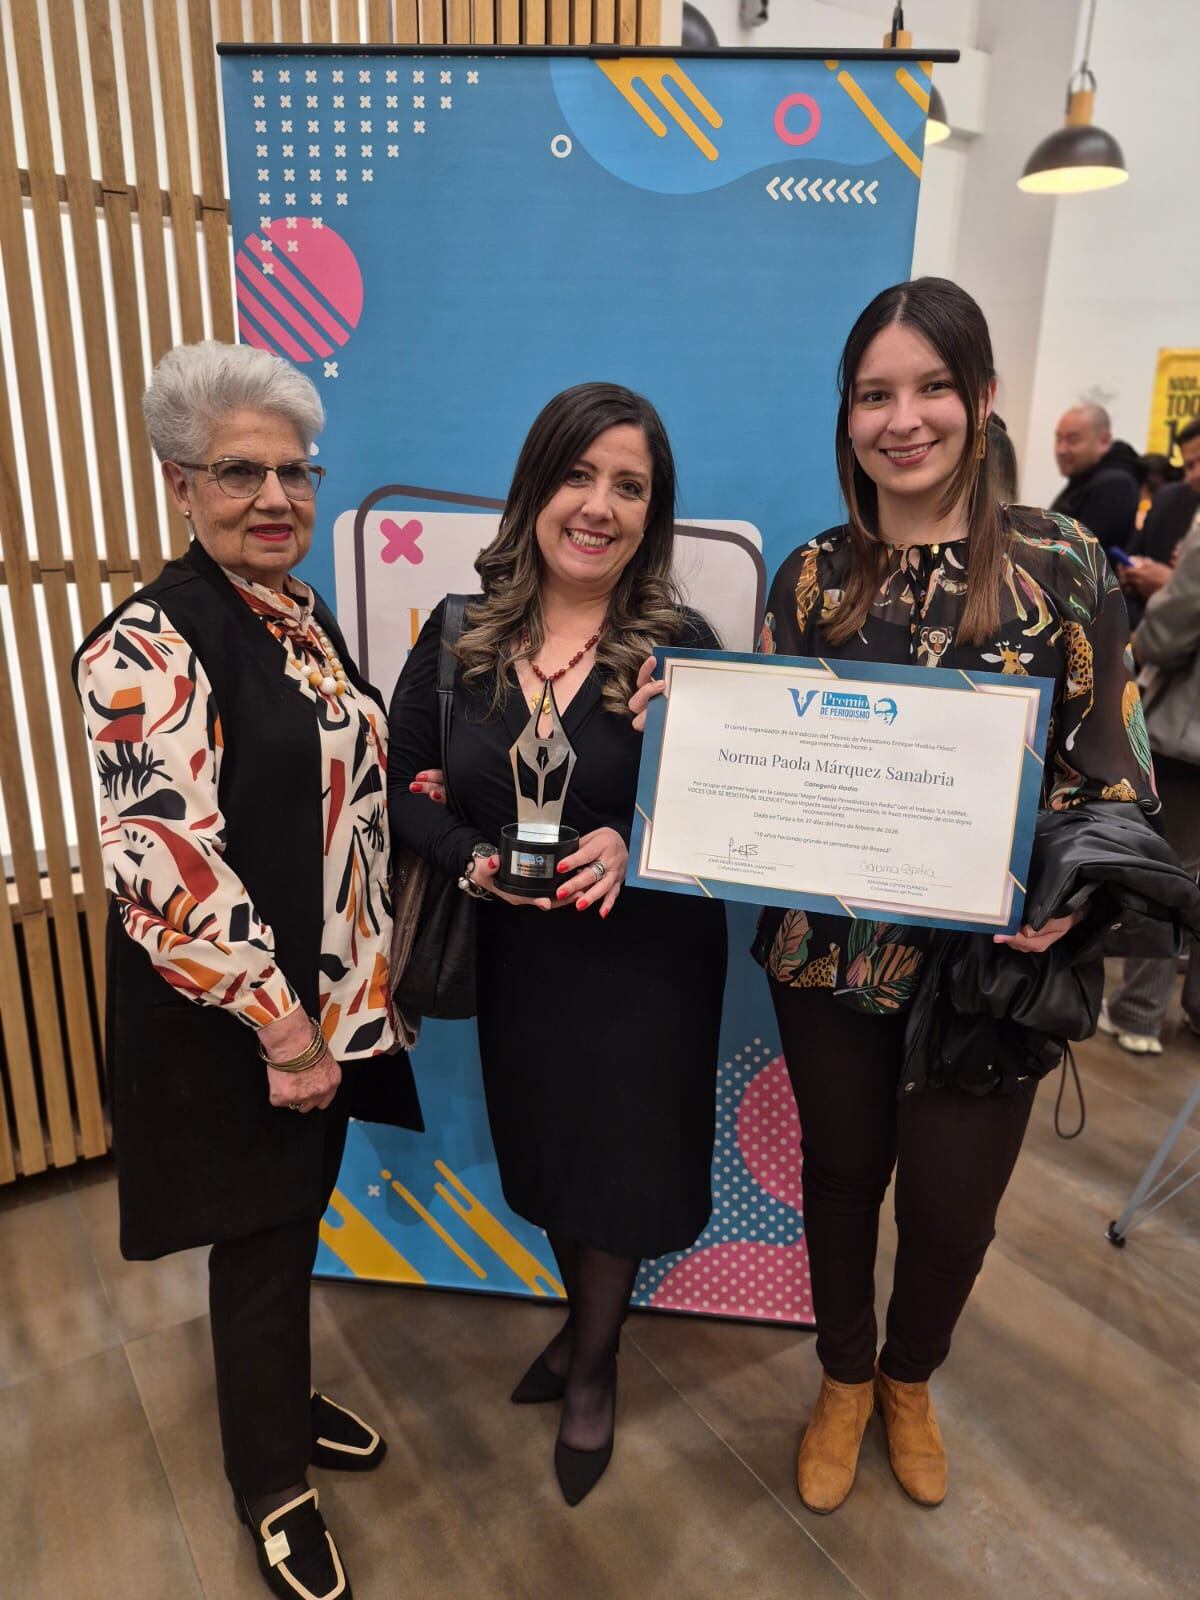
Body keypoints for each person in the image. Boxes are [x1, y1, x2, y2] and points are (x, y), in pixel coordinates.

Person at [640, 278, 1154, 1517]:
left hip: (994, 965)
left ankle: (909, 1378)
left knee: (951, 1209)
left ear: (983, 397)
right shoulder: (812, 576)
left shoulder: (1062, 562)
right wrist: (692, 736)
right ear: (848, 413)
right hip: (829, 954)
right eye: (875, 394)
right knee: (840, 1172)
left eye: (932, 388)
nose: (903, 419)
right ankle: (841, 1377)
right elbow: (774, 757)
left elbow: (1115, 776)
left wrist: (1071, 902)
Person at [74, 341, 421, 1600]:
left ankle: (271, 1395)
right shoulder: (144, 643)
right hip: (242, 1021)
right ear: (180, 484)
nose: (276, 497)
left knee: (288, 1224)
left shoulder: (299, 613)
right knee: (261, 1240)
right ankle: (271, 1482)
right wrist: (286, 1031)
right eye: (239, 472)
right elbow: (167, 871)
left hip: (325, 1006)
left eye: (296, 471)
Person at [388, 382, 727, 1506]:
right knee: (550, 1161)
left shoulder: (679, 649)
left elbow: (730, 807)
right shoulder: (459, 638)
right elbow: (400, 790)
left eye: (629, 486)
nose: (599, 506)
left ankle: (591, 1368)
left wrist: (642, 836)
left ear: (652, 513)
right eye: (578, 476)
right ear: (535, 488)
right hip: (522, 964)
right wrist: (470, 858)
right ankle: (588, 1327)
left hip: (647, 964)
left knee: (623, 1170)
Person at [1102, 470, 1200, 1053]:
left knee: (1170, 869)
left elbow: (1169, 631)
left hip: (1187, 731)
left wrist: (1132, 644)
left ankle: (1138, 1012)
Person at [1120, 417, 1200, 623]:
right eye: (1189, 466)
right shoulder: (1168, 500)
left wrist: (1172, 587)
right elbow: (1132, 556)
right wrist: (1134, 571)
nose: (1195, 474)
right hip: (1145, 625)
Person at [1051, 401, 1142, 558]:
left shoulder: (1114, 485)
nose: (1061, 450)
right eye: (1059, 439)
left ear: (1104, 441)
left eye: (1073, 440)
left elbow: (1082, 557)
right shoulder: (1083, 479)